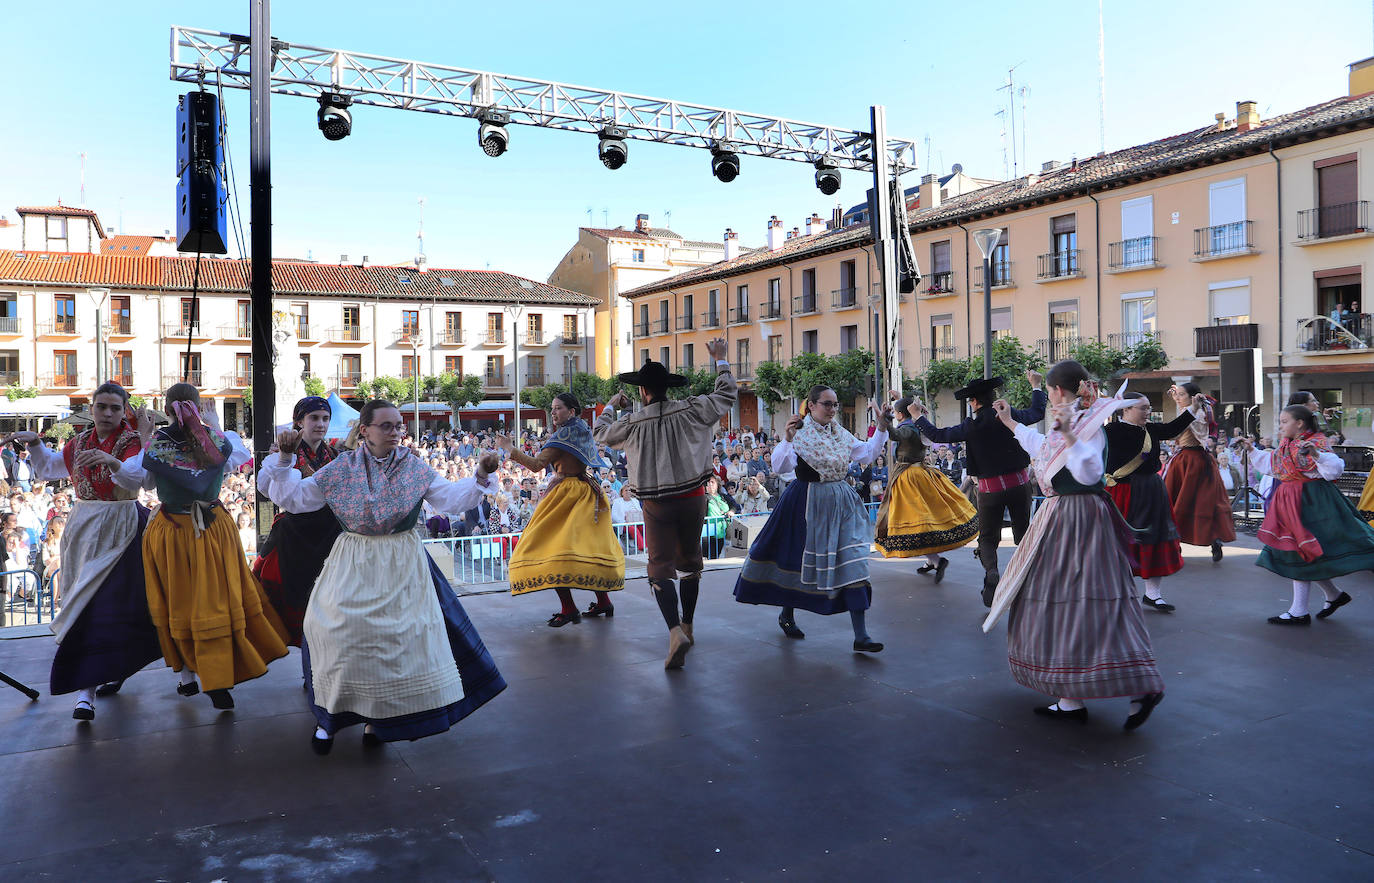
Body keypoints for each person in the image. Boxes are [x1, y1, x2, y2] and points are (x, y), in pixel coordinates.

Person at [261, 400, 507, 753]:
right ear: (365, 430)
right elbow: (296, 498)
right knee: (337, 633)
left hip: (401, 561)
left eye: (399, 426)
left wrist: (481, 474)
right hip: (354, 559)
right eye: (387, 426)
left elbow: (452, 499)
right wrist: (284, 461)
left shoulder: (414, 467)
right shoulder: (341, 467)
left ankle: (376, 721)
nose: (396, 432)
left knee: (392, 641)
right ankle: (328, 719)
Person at [983, 363, 1165, 730]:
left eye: (1049, 390)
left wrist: (1068, 435)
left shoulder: (1086, 425)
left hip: (1079, 518)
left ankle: (1138, 685)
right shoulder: (1069, 421)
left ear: (1057, 390)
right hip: (1060, 517)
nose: (1049, 396)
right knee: (1061, 601)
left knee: (1085, 600)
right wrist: (1010, 424)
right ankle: (1070, 698)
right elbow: (1040, 446)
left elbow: (1089, 472)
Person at [5, 383, 163, 721]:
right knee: (85, 604)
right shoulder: (79, 443)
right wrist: (34, 444)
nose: (107, 413)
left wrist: (112, 461)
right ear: (91, 408)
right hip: (83, 528)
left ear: (124, 411)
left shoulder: (133, 442)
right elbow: (49, 469)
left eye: (114, 408)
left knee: (107, 607)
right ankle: (94, 684)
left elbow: (138, 481)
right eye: (101, 406)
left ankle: (88, 689)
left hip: (122, 527)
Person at [137, 383, 289, 710]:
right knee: (201, 603)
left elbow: (143, 479)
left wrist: (146, 439)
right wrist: (213, 427)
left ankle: (198, 676)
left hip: (190, 529)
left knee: (193, 603)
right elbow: (237, 458)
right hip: (191, 529)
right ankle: (198, 677)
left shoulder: (161, 444)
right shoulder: (214, 442)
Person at [593, 340, 736, 670]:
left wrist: (611, 405)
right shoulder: (691, 408)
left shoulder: (633, 422)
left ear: (642, 390)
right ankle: (688, 623)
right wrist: (721, 360)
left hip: (656, 502)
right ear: (667, 388)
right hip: (693, 497)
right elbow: (726, 395)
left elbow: (601, 433)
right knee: (690, 562)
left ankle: (674, 633)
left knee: (659, 568)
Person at [733, 387, 890, 651]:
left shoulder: (840, 433)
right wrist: (787, 438)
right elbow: (780, 467)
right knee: (795, 559)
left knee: (853, 560)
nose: (832, 409)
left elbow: (867, 453)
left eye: (835, 405)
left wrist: (882, 426)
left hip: (840, 501)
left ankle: (861, 635)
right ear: (812, 405)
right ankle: (787, 614)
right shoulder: (800, 433)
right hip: (806, 501)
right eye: (827, 404)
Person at [915, 371, 1048, 605]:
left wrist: (917, 416)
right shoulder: (1008, 415)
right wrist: (1036, 386)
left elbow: (936, 434)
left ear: (974, 402)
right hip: (1019, 483)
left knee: (987, 538)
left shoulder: (971, 426)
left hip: (990, 489)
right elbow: (1037, 412)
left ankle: (992, 572)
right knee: (1023, 533)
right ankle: (1032, 575)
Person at [498, 392, 624, 626]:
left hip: (566, 495)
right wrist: (610, 405)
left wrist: (510, 449)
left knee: (551, 550)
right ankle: (603, 601)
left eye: (558, 408)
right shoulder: (582, 428)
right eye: (552, 408)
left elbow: (536, 466)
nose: (554, 412)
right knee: (587, 548)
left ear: (572, 411)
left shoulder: (562, 437)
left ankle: (569, 609)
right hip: (587, 492)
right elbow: (600, 424)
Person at [1240, 406, 1374, 624]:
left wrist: (1315, 454)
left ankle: (1300, 611)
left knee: (1301, 550)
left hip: (1311, 501)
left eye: (1284, 421)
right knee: (1305, 551)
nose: (1280, 425)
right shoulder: (1286, 445)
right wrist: (1252, 450)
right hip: (1290, 500)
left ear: (1299, 423)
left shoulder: (1316, 442)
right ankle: (1331, 596)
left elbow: (1334, 469)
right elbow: (1273, 466)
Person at [251, 396, 343, 649]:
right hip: (295, 536)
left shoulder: (336, 454)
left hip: (329, 534)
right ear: (299, 422)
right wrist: (284, 459)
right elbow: (271, 491)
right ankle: (309, 664)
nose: (320, 424)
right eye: (314, 418)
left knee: (329, 602)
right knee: (296, 601)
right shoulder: (279, 454)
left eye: (325, 419)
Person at [1103, 388, 1203, 614]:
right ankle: (1118, 592)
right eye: (1143, 408)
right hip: (1123, 491)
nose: (1148, 411)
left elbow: (1173, 428)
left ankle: (1153, 594)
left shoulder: (1151, 429)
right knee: (1119, 544)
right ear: (1125, 409)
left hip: (1151, 489)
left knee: (1154, 538)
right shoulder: (1110, 431)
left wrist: (1193, 408)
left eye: (1149, 407)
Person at [874, 396, 978, 580]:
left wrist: (882, 420)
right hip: (921, 472)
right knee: (924, 520)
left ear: (898, 414)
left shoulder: (907, 428)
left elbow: (896, 435)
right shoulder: (918, 424)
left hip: (909, 477)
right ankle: (932, 560)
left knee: (914, 522)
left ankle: (936, 560)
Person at [1162, 382, 1236, 561]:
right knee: (1202, 501)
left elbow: (1177, 430)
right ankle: (1210, 539)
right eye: (1176, 394)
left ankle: (1176, 544)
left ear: (1192, 397)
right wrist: (1180, 401)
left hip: (1190, 461)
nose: (1177, 398)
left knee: (1182, 501)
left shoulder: (1197, 413)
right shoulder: (1197, 410)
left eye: (1181, 395)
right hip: (1196, 460)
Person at [701, 476, 730, 559]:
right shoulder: (704, 497)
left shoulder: (723, 496)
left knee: (716, 555)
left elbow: (735, 505)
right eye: (708, 483)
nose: (710, 485)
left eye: (712, 482)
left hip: (721, 531)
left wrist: (731, 511)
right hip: (708, 532)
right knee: (709, 556)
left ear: (717, 484)